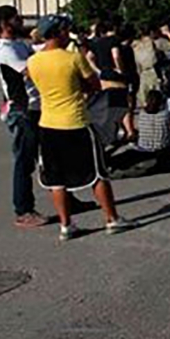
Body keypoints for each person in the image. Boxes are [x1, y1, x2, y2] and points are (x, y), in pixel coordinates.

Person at [27, 15, 137, 241]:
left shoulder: (34, 61)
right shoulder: (73, 58)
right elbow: (94, 85)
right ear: (58, 33)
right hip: (76, 122)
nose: (69, 34)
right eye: (66, 30)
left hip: (48, 124)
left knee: (56, 178)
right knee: (97, 173)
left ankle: (66, 225)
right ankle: (112, 219)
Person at [0, 5, 49, 228]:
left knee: (50, 157)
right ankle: (24, 210)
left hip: (37, 107)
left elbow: (38, 55)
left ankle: (67, 199)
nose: (21, 20)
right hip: (22, 110)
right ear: (4, 24)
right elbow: (32, 71)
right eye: (16, 18)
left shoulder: (19, 44)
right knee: (24, 162)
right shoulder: (5, 51)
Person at [87, 19, 133, 143]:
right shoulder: (114, 41)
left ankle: (110, 132)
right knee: (124, 104)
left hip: (104, 77)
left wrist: (98, 70)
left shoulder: (96, 42)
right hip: (116, 76)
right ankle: (129, 131)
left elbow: (89, 57)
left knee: (109, 105)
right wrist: (120, 69)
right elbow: (116, 55)